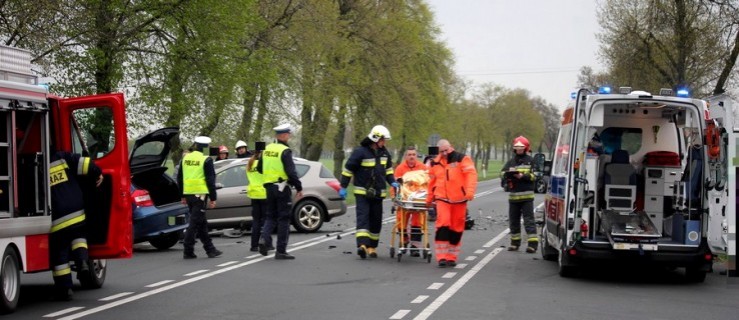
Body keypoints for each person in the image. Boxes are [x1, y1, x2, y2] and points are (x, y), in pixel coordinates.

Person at [49, 150, 104, 301]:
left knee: (59, 253)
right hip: (75, 209)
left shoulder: (36, 165)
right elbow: (85, 164)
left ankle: (65, 289)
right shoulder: (62, 157)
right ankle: (82, 261)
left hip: (56, 217)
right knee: (79, 237)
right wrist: (98, 172)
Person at [339, 125, 398, 259]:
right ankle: (362, 245)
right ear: (375, 139)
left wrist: (392, 182)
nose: (384, 142)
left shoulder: (385, 153)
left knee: (376, 220)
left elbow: (388, 171)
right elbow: (348, 170)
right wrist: (343, 186)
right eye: (383, 139)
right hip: (362, 193)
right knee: (363, 218)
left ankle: (372, 247)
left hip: (378, 193)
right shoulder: (360, 152)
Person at [426, 139, 477, 267]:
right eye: (442, 151)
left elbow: (471, 175)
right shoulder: (435, 163)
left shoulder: (462, 159)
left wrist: (469, 192)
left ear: (451, 147)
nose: (444, 153)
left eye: (446, 150)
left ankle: (452, 256)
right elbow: (431, 182)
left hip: (459, 199)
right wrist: (429, 198)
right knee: (443, 223)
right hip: (442, 198)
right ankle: (441, 257)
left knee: (457, 227)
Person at [257, 124, 303, 260]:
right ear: (283, 135)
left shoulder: (266, 150)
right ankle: (281, 251)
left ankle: (264, 239)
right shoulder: (285, 150)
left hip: (268, 187)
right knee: (284, 218)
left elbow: (259, 168)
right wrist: (299, 187)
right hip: (282, 187)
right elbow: (291, 171)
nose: (289, 137)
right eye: (288, 134)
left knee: (270, 216)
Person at [178, 136, 223, 259]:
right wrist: (213, 198)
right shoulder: (206, 159)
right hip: (200, 195)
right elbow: (210, 180)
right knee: (193, 223)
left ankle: (210, 249)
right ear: (206, 147)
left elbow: (180, 178)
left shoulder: (186, 158)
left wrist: (182, 195)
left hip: (188, 194)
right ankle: (188, 250)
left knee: (201, 223)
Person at [501, 136, 538, 253]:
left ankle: (532, 245)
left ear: (526, 148)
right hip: (514, 197)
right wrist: (507, 175)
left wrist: (523, 176)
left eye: (521, 148)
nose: (519, 150)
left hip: (527, 197)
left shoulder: (531, 160)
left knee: (529, 221)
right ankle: (515, 243)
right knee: (514, 221)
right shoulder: (511, 161)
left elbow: (535, 175)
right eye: (517, 148)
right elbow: (502, 173)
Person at [393, 146, 427, 256]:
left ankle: (415, 246)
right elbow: (395, 185)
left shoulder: (422, 167)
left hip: (418, 199)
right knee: (400, 219)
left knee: (417, 221)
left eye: (413, 154)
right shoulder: (400, 168)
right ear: (406, 156)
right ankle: (405, 239)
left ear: (416, 156)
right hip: (404, 200)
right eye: (409, 155)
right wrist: (394, 197)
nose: (411, 157)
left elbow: (428, 183)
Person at [247, 141, 268, 252]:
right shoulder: (263, 164)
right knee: (265, 220)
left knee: (256, 221)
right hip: (264, 193)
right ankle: (265, 242)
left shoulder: (249, 163)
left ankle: (253, 245)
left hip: (253, 194)